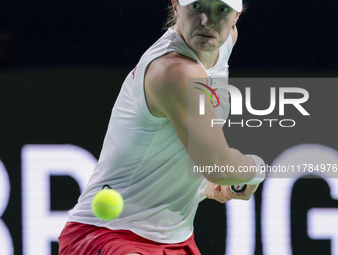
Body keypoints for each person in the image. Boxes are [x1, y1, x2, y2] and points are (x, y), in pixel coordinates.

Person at [58, 0, 265, 254]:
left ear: (237, 15)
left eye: (221, 9)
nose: (207, 21)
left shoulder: (224, 41)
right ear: (176, 5)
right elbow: (219, 166)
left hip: (176, 239)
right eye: (197, 6)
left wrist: (200, 187)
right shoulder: (174, 71)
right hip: (109, 235)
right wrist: (257, 168)